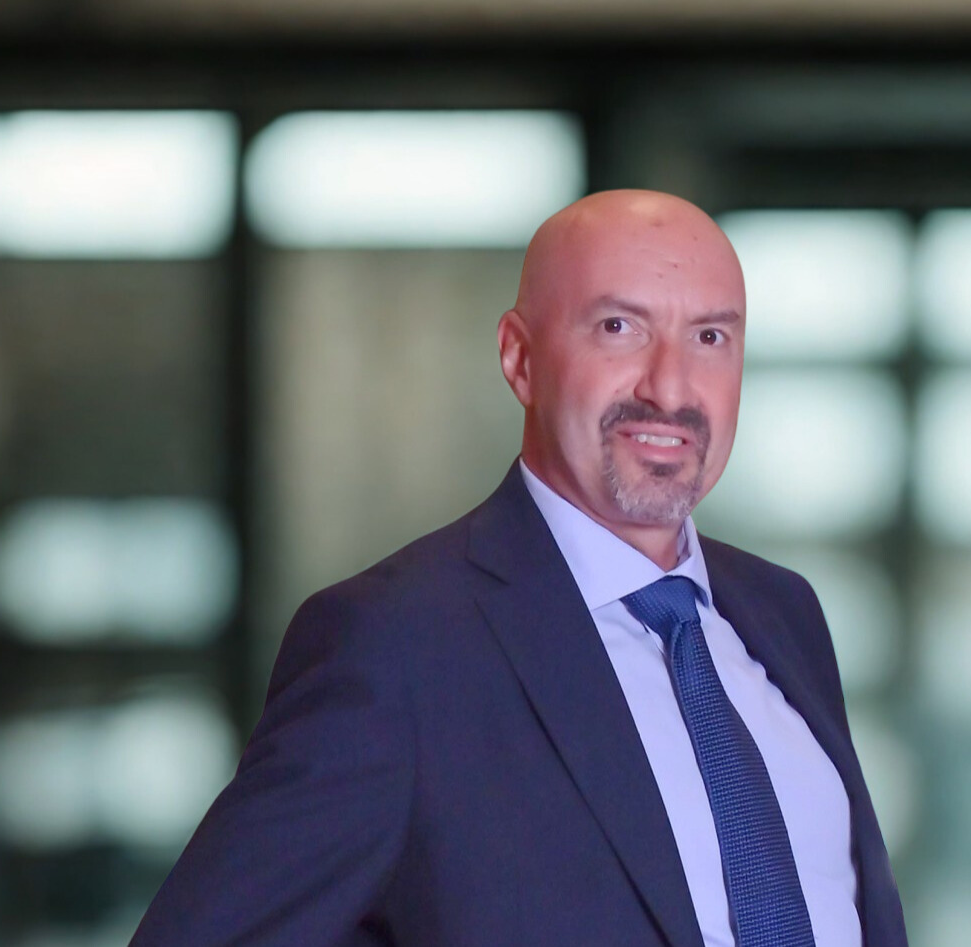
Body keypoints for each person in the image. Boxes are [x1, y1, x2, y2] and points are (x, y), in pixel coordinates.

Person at [131, 190, 907, 947]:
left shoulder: (784, 612)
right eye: (619, 327)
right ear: (520, 357)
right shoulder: (397, 647)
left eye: (709, 337)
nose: (670, 386)